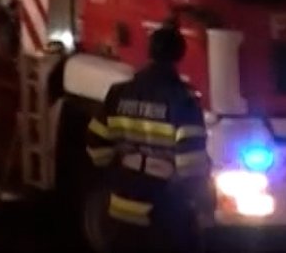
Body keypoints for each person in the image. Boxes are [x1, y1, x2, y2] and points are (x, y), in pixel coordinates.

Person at [86, 24, 209, 252]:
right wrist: (200, 203)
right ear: (180, 55)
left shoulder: (118, 92)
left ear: (149, 52)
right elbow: (190, 165)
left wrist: (117, 172)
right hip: (164, 213)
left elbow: (97, 147)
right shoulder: (184, 100)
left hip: (122, 206)